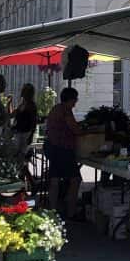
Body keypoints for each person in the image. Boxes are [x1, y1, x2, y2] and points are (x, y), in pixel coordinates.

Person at [44, 87, 83, 221]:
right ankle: (71, 211)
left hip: (52, 146)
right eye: (75, 99)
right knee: (75, 179)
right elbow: (75, 129)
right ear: (70, 99)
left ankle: (52, 212)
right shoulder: (66, 110)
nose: (75, 102)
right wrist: (86, 128)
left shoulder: (56, 108)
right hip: (62, 149)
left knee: (54, 180)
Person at [12, 83, 38, 160]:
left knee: (21, 157)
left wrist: (31, 136)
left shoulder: (32, 106)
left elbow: (34, 122)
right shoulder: (21, 104)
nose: (24, 93)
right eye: (24, 91)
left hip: (26, 133)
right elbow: (13, 114)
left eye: (27, 91)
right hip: (19, 133)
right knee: (17, 156)